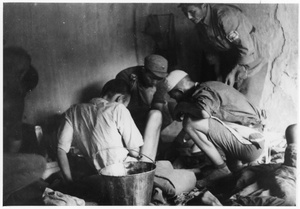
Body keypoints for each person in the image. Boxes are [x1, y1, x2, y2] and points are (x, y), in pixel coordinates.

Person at [165, 70, 265, 188]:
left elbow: (203, 113)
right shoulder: (205, 88)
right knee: (233, 177)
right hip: (248, 141)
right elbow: (191, 127)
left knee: (189, 122)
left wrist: (182, 106)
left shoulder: (203, 91)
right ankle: (231, 169)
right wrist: (174, 146)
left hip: (249, 145)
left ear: (179, 91)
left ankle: (221, 169)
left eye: (174, 97)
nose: (176, 100)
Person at [178, 3, 268, 107]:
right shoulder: (200, 25)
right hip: (231, 56)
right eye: (186, 13)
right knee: (227, 96)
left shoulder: (225, 16)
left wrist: (234, 71)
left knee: (246, 100)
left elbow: (246, 49)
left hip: (251, 58)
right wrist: (218, 73)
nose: (189, 17)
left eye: (192, 12)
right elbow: (211, 52)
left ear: (203, 5)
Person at [116, 54, 173, 161]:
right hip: (127, 116)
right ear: (144, 70)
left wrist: (148, 101)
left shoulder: (162, 81)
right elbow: (119, 107)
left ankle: (148, 159)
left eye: (158, 79)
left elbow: (157, 109)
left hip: (146, 115)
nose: (155, 82)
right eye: (151, 77)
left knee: (157, 115)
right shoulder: (125, 76)